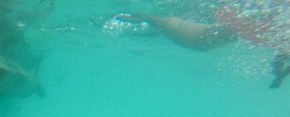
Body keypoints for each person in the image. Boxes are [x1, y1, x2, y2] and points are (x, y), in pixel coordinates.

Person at [118, 1, 290, 88]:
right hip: (258, 17)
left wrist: (281, 71)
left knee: (203, 40)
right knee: (202, 36)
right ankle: (147, 17)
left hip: (259, 21)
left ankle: (148, 18)